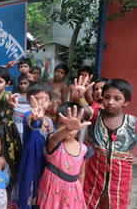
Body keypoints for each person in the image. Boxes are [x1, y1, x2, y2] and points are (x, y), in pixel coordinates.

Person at [71, 77, 137, 208]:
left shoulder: (132, 122)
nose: (110, 102)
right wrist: (79, 96)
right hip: (95, 169)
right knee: (90, 199)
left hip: (121, 173)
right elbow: (84, 107)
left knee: (117, 202)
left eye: (117, 99)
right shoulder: (96, 114)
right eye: (107, 97)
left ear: (126, 102)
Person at [37, 103, 93, 208]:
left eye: (72, 125)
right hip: (52, 191)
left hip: (72, 193)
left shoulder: (84, 149)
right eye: (62, 124)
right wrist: (67, 128)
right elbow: (54, 138)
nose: (68, 128)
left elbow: (81, 174)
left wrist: (79, 192)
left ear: (79, 126)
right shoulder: (54, 142)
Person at [12, 81, 54, 208]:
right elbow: (32, 123)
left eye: (44, 99)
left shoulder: (50, 121)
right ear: (30, 101)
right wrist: (36, 120)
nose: (40, 103)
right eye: (36, 99)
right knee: (29, 194)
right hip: (32, 161)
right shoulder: (28, 116)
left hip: (46, 162)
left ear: (50, 102)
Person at [13, 73, 31, 143]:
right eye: (21, 84)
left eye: (25, 83)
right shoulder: (15, 96)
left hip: (27, 122)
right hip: (17, 123)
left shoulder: (32, 96)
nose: (23, 86)